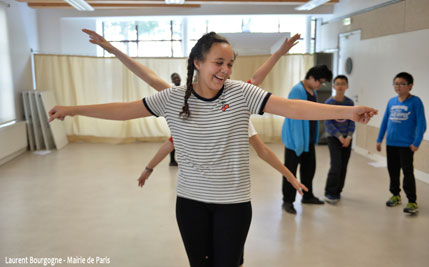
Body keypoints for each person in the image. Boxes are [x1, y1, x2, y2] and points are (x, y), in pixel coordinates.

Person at [49, 32, 377, 267]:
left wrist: (346, 111)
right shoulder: (173, 97)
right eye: (219, 62)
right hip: (190, 201)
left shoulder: (240, 94)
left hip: (233, 202)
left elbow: (291, 108)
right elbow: (124, 110)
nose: (225, 70)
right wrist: (75, 109)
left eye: (230, 64)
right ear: (198, 62)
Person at [280, 65, 333, 214]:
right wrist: (299, 143)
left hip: (307, 139)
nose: (320, 85)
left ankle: (307, 196)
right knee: (290, 172)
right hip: (295, 141)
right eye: (320, 82)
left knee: (309, 170)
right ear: (311, 78)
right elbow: (294, 118)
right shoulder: (297, 90)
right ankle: (288, 201)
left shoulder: (312, 91)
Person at [376, 72, 426, 215]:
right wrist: (379, 139)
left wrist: (416, 142)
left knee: (407, 172)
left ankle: (412, 201)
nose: (398, 86)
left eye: (402, 83)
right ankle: (395, 195)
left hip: (406, 145)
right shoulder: (391, 102)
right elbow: (385, 121)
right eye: (396, 83)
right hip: (391, 143)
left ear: (410, 86)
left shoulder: (415, 102)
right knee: (393, 171)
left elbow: (422, 124)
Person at [323, 75, 355, 204]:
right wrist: (340, 136)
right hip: (334, 138)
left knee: (343, 166)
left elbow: (352, 121)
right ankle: (329, 192)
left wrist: (349, 136)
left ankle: (338, 191)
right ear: (334, 86)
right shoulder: (329, 103)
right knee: (336, 165)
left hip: (347, 139)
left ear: (347, 86)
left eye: (343, 83)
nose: (340, 86)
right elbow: (328, 123)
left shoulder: (349, 103)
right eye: (337, 84)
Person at [169, 73, 181, 166]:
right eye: (175, 78)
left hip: (183, 119)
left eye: (178, 77)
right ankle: (172, 160)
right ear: (172, 81)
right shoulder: (171, 91)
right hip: (176, 120)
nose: (177, 79)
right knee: (174, 140)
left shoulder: (185, 89)